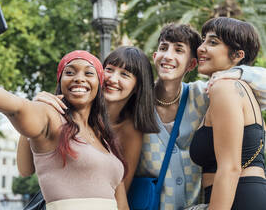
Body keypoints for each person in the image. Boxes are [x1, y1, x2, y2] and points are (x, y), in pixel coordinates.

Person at [21, 23, 266, 209]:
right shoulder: (135, 106)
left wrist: (239, 72)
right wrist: (38, 109)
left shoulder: (206, 95)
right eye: (163, 48)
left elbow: (258, 90)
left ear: (191, 64)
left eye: (178, 50)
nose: (168, 55)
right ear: (154, 57)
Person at [0, 18, 128, 210]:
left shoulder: (106, 137)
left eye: (88, 73)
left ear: (99, 84)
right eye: (70, 72)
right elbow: (14, 106)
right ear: (60, 82)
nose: (79, 78)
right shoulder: (51, 117)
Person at [17, 46, 160, 190]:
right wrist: (33, 112)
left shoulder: (129, 131)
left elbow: (119, 189)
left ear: (137, 87)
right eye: (109, 69)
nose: (112, 78)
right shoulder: (62, 112)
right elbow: (25, 170)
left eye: (124, 74)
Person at [189, 17, 266, 209]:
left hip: (236, 197)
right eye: (203, 40)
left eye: (213, 42)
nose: (201, 48)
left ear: (237, 55)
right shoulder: (245, 89)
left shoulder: (225, 88)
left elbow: (230, 168)